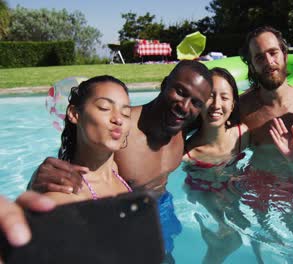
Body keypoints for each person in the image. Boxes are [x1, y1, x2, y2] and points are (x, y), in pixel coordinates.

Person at [29, 60, 214, 260]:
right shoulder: (119, 132)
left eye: (196, 103)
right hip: (121, 214)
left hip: (161, 206)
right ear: (165, 84)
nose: (185, 107)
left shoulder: (182, 126)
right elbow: (78, 160)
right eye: (180, 92)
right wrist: (36, 182)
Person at [182, 67, 249, 263]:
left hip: (234, 197)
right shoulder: (187, 153)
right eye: (210, 96)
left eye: (225, 97)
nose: (217, 105)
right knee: (227, 239)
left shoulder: (243, 136)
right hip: (204, 199)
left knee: (237, 233)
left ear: (234, 103)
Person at [42, 75, 132, 204]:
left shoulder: (115, 170)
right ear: (74, 114)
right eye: (104, 108)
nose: (118, 119)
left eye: (126, 113)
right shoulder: (63, 195)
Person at [239, 26, 293, 146]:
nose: (269, 62)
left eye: (273, 53)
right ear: (252, 67)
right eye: (259, 58)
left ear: (285, 56)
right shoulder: (240, 109)